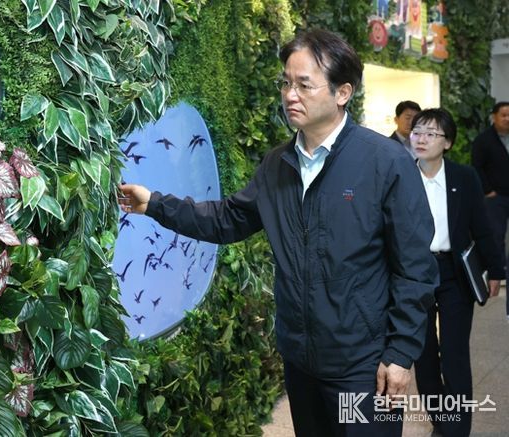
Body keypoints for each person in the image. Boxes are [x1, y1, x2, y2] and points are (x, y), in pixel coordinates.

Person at [119, 29, 438, 436]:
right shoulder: (277, 165)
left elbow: (415, 267)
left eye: (304, 84)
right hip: (300, 361)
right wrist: (154, 204)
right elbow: (227, 219)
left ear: (342, 92)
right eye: (286, 83)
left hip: (361, 365)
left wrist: (401, 351)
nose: (290, 95)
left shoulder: (385, 162)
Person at [411, 108, 503, 437]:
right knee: (423, 356)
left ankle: (457, 430)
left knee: (454, 355)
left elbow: (482, 225)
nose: (421, 139)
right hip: (414, 274)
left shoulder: (464, 177)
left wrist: (496, 269)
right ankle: (441, 421)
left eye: (431, 133)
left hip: (453, 271)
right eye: (417, 131)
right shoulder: (400, 175)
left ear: (447, 142)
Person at [471, 101, 509, 321]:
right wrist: (488, 190)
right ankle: (497, 272)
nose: (507, 119)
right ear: (494, 117)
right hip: (496, 196)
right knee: (496, 233)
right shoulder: (484, 140)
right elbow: (476, 166)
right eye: (504, 115)